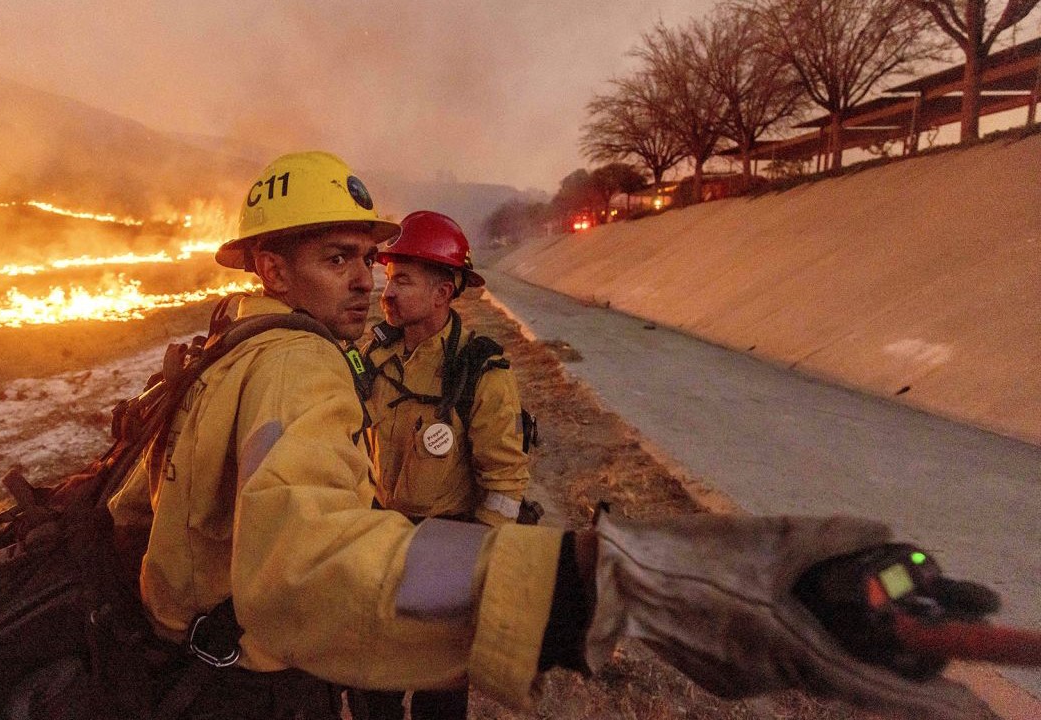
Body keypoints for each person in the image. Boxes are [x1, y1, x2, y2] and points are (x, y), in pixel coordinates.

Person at [107, 150, 991, 720]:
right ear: (271, 266)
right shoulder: (297, 364)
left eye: (371, 263)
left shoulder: (226, 350)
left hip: (251, 638)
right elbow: (310, 559)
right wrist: (588, 585)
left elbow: (141, 510)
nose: (369, 285)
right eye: (337, 260)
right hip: (266, 667)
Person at [355, 210, 530, 719]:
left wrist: (477, 572)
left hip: (446, 552)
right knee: (371, 693)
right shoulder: (374, 356)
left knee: (438, 699)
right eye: (389, 278)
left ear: (442, 293)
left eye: (402, 280)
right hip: (377, 544)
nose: (387, 291)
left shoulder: (481, 371)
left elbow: (504, 484)